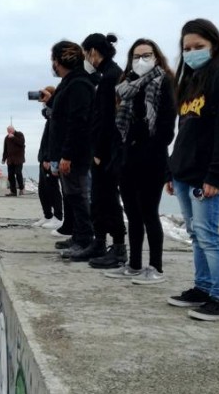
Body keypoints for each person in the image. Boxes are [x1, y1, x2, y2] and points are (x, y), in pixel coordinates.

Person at [166, 18, 219, 321]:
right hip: (184, 172)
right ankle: (203, 287)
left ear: (214, 45)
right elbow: (184, 131)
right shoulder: (189, 81)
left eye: (199, 47)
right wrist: (172, 171)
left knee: (208, 234)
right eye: (187, 48)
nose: (192, 52)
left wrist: (217, 176)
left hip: (205, 175)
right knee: (195, 234)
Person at [105, 38, 176, 283]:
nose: (141, 60)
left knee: (149, 213)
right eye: (136, 56)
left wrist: (148, 149)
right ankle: (134, 265)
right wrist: (120, 157)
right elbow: (120, 126)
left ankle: (155, 267)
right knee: (133, 215)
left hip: (152, 160)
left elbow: (167, 128)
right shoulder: (126, 86)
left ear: (156, 57)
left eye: (146, 55)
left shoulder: (164, 82)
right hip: (127, 160)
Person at [80, 33, 126, 266]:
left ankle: (117, 248)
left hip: (106, 152)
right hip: (104, 150)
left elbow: (108, 119)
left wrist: (98, 152)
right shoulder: (108, 75)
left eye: (86, 53)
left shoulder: (110, 77)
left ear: (94, 52)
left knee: (107, 198)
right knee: (99, 199)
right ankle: (99, 242)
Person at [47, 40, 96, 260]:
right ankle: (78, 236)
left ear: (59, 61)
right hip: (65, 152)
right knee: (72, 195)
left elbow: (78, 123)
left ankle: (85, 239)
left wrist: (67, 155)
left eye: (53, 60)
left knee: (78, 195)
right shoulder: (70, 83)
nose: (53, 65)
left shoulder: (78, 84)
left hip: (75, 154)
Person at [33, 86, 63, 229]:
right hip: (43, 157)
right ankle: (47, 215)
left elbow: (54, 139)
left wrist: (49, 158)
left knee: (52, 188)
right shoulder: (49, 117)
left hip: (49, 158)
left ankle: (58, 216)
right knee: (42, 189)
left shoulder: (55, 116)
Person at [2, 125, 26, 196]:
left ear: (13, 130)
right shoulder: (6, 138)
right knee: (10, 175)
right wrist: (4, 159)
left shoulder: (19, 134)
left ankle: (21, 188)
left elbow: (22, 143)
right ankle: (13, 191)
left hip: (18, 159)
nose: (9, 132)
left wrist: (13, 138)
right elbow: (5, 149)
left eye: (10, 131)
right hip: (10, 160)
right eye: (8, 131)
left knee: (18, 173)